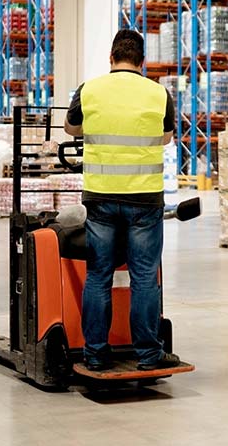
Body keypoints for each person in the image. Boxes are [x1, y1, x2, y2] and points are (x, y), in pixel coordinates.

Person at [64, 29, 179, 371]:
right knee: (144, 277)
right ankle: (147, 356)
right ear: (142, 62)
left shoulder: (90, 89)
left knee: (98, 275)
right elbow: (167, 137)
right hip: (144, 198)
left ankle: (95, 356)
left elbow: (71, 128)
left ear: (111, 58)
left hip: (100, 197)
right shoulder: (159, 93)